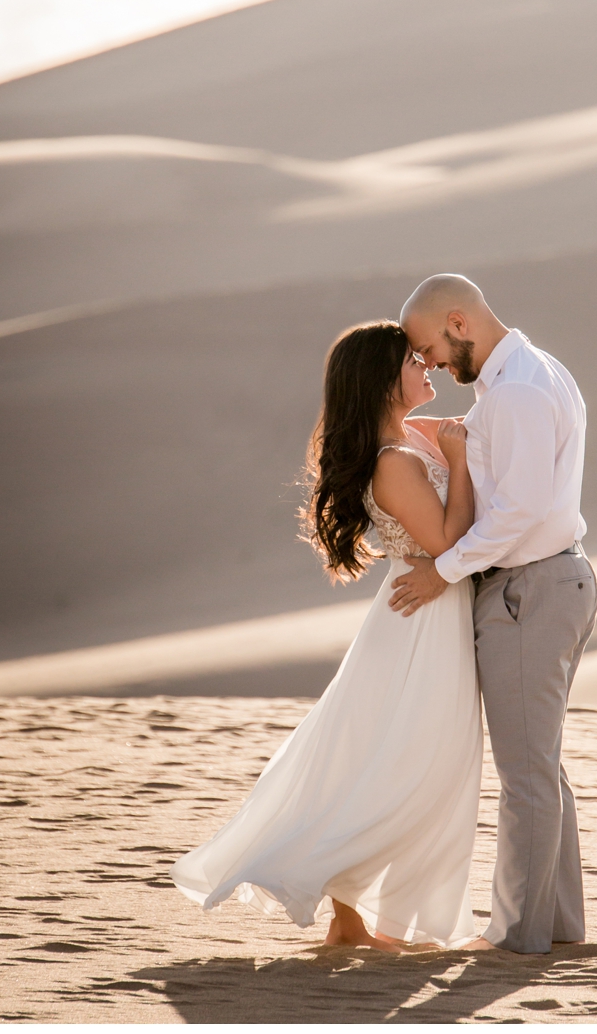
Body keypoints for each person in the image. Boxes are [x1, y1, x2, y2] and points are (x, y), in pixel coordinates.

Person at [174, 323, 483, 947]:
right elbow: (449, 543)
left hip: (421, 617)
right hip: (422, 624)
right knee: (415, 766)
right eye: (412, 360)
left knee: (391, 759)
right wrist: (460, 463)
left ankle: (349, 920)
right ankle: (348, 902)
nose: (426, 365)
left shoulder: (409, 438)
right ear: (380, 380)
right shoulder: (395, 462)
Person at [389, 275, 595, 955]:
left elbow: (521, 513)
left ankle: (516, 939)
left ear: (458, 320)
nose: (434, 368)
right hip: (543, 583)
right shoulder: (524, 378)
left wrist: (441, 570)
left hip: (529, 590)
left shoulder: (517, 392)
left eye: (432, 350)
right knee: (541, 768)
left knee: (527, 776)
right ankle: (557, 930)